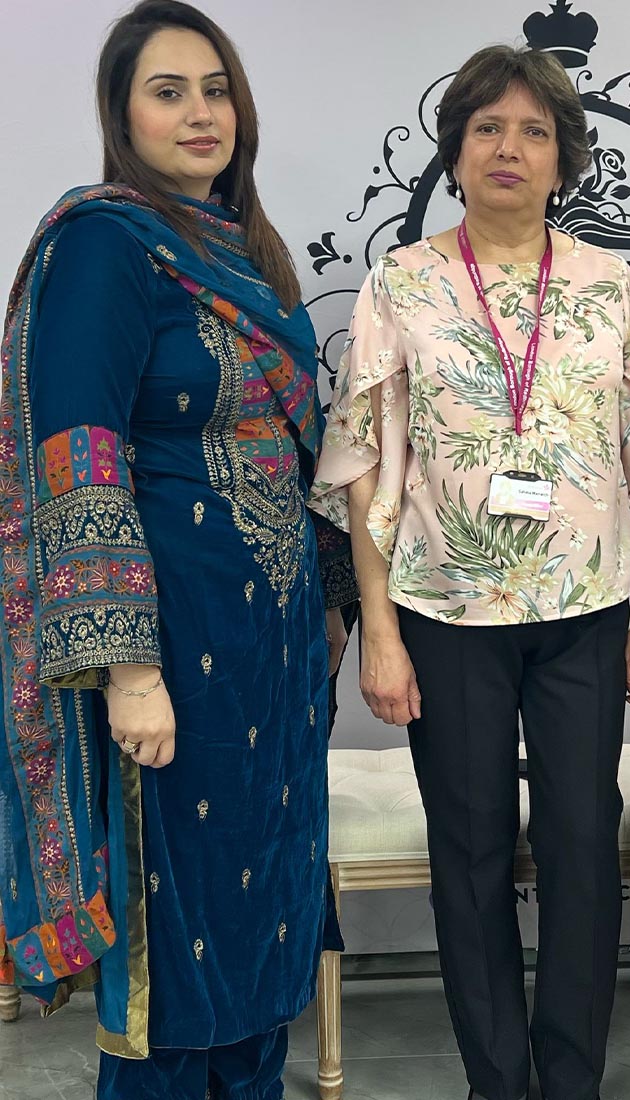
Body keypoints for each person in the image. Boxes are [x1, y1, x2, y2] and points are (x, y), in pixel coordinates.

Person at [0, 2, 355, 1096]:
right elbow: (79, 451)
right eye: (168, 90)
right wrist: (130, 668)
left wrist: (334, 605)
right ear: (121, 113)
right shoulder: (106, 244)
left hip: (275, 655)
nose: (201, 112)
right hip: (174, 653)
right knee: (178, 949)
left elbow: (298, 461)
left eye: (216, 88)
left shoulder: (244, 250)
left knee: (261, 929)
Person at [311, 43, 630, 1100]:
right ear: (455, 152)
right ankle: (495, 1081)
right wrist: (378, 626)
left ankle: (572, 1078)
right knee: (466, 855)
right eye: (488, 129)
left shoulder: (611, 287)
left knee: (579, 842)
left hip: (587, 608)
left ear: (565, 161)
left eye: (535, 131)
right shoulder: (402, 284)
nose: (509, 148)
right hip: (443, 611)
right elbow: (367, 465)